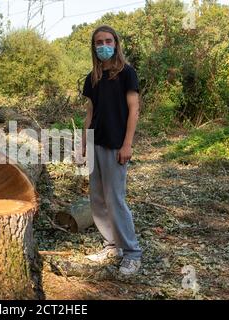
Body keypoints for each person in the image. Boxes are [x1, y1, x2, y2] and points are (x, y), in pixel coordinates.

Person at [82, 25, 142, 275]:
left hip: (116, 145)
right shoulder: (92, 78)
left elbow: (134, 109)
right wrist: (83, 144)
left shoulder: (127, 73)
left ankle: (132, 254)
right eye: (98, 42)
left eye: (108, 41)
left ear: (116, 43)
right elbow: (90, 112)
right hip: (95, 142)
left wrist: (127, 144)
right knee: (97, 199)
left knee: (115, 200)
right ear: (94, 47)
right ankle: (111, 246)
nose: (103, 45)